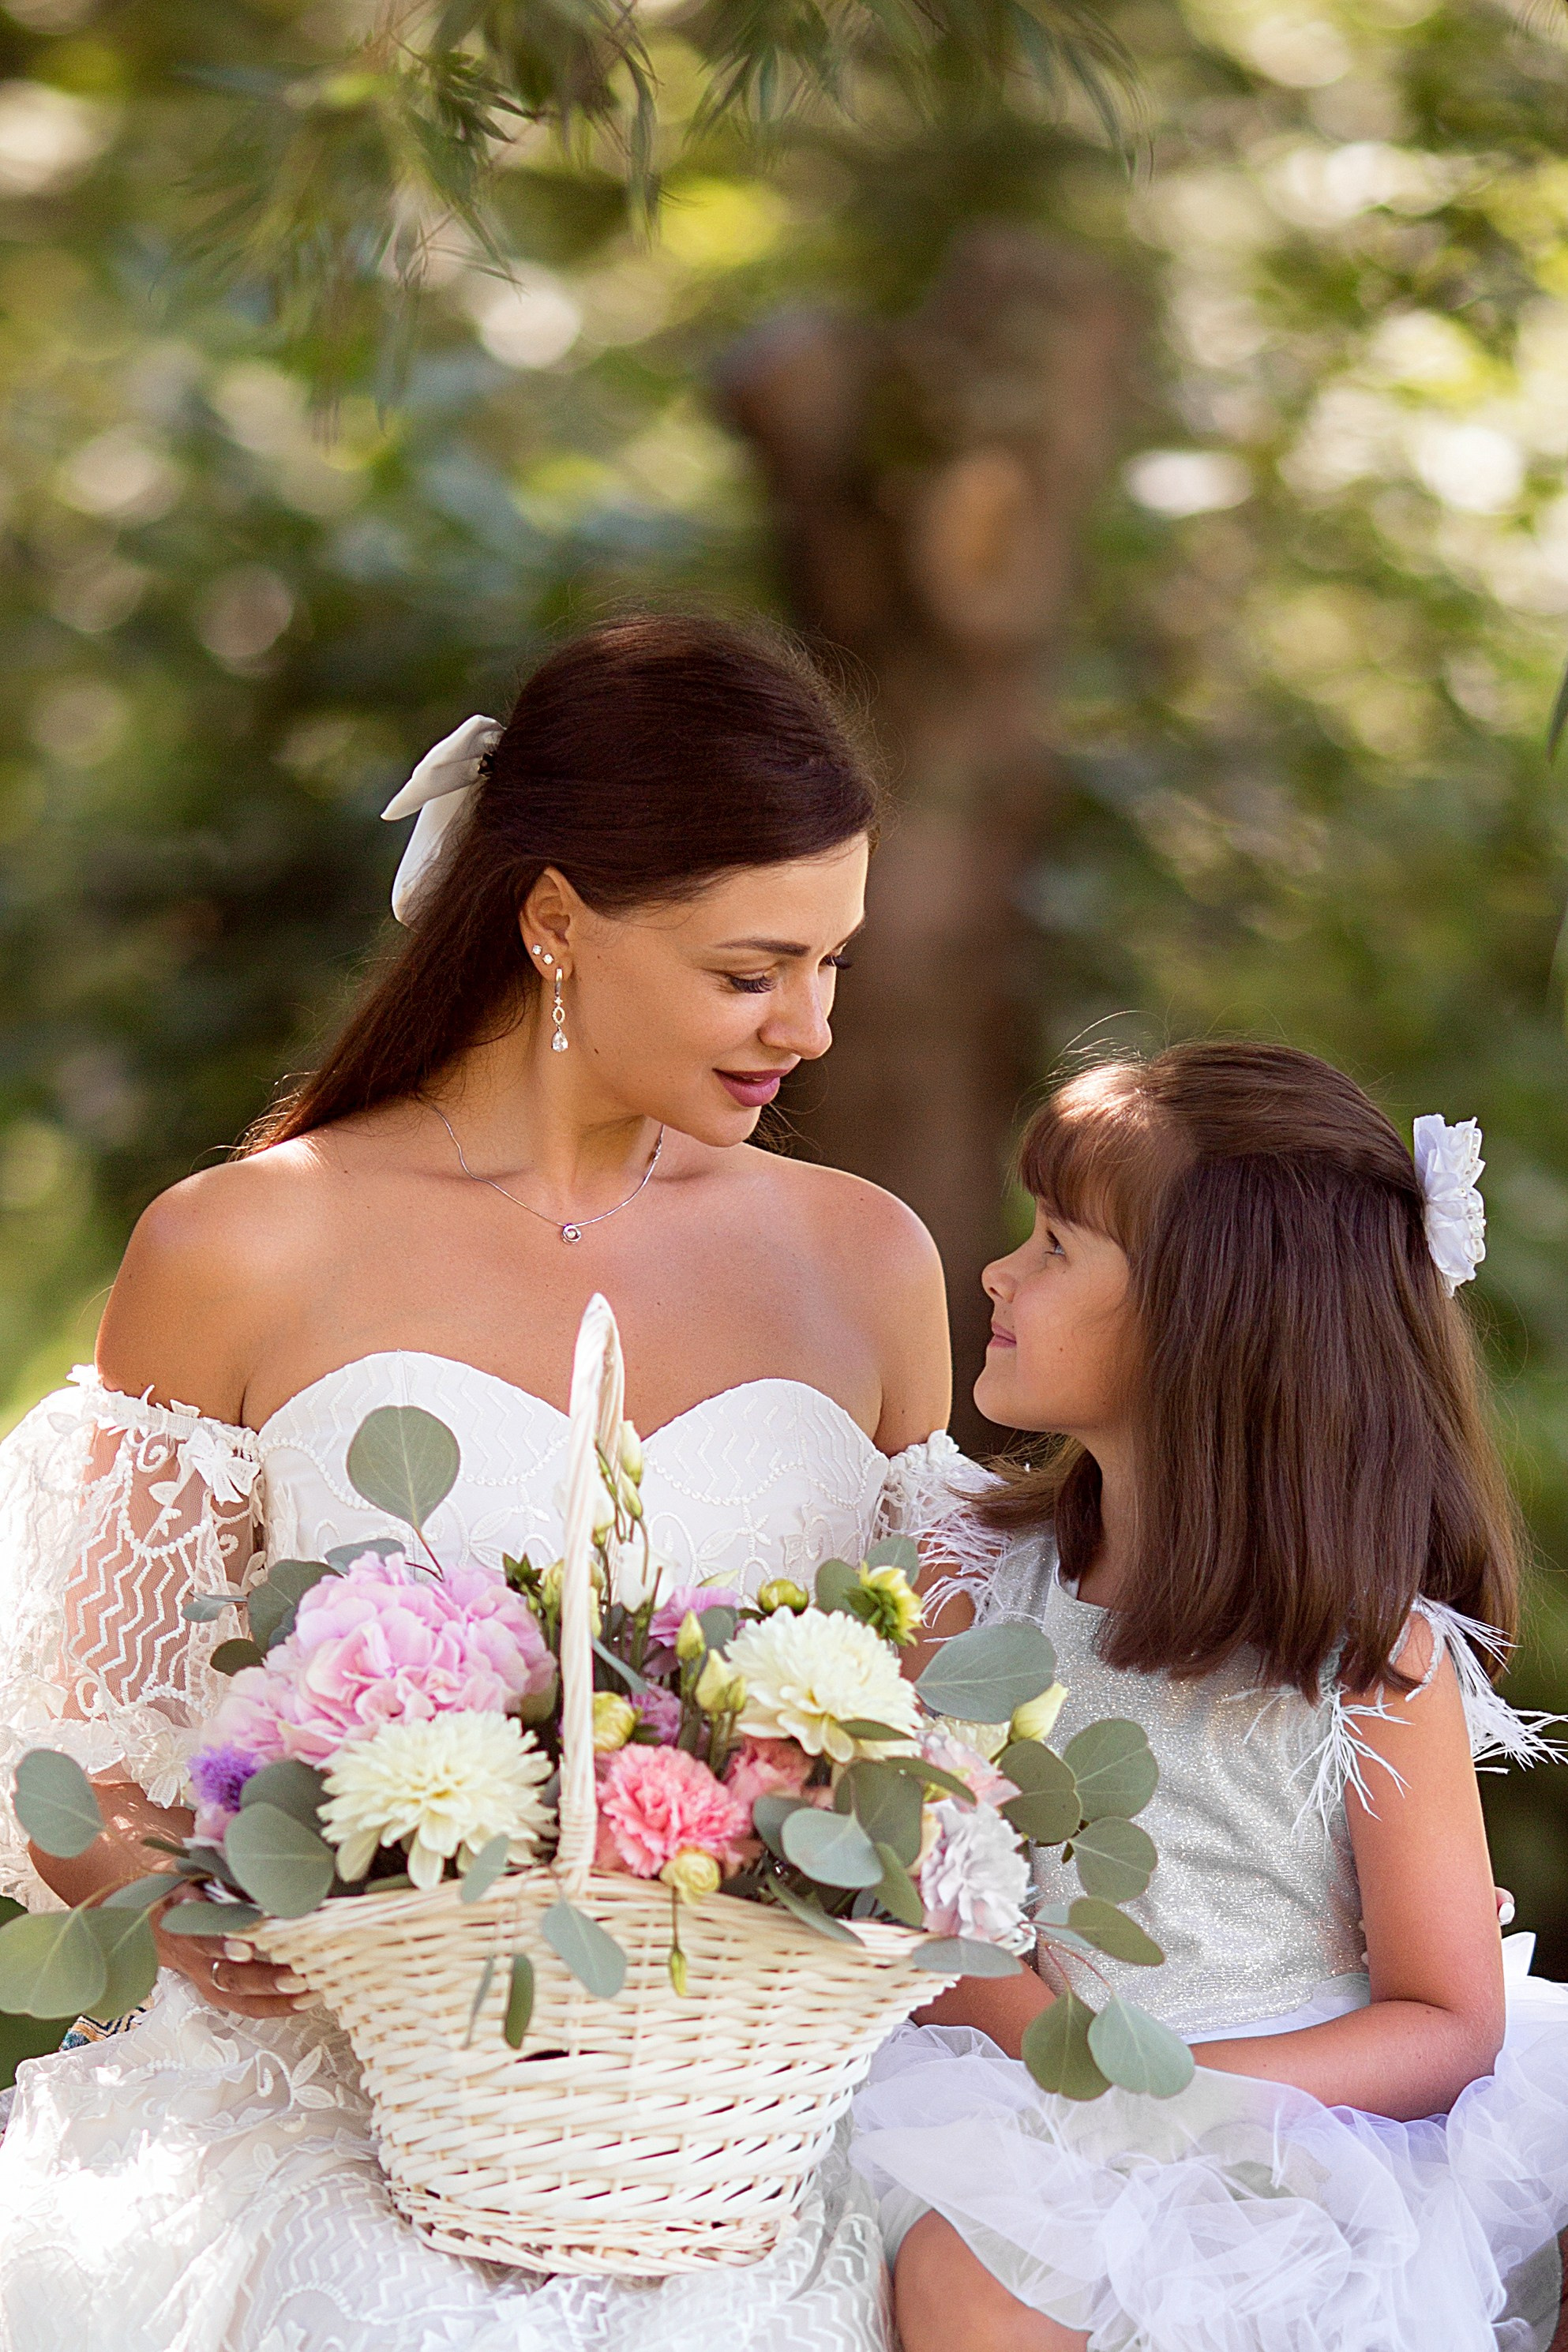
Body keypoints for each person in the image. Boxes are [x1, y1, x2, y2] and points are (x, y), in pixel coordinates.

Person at [0, 613, 961, 2352]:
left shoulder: (870, 1262)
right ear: (553, 926)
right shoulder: (245, 1244)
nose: (810, 1024)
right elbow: (70, 1752)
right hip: (322, 2124)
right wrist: (202, 1902)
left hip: (743, 2147)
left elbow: (948, 1749)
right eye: (753, 970)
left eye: (835, 962)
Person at [851, 1041, 1568, 2352]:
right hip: (1024, 2099)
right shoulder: (960, 1584)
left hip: (1293, 2125)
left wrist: (1180, 2102)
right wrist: (1089, 2087)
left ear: (1207, 1324)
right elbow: (933, 1906)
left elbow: (1445, 2014)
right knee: (975, 2280)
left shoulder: (1363, 1657)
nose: (999, 1271)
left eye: (1059, 1245)